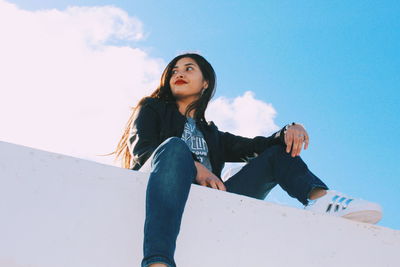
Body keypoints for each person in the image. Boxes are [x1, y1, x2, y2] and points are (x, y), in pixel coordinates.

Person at [113, 53, 382, 267]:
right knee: (174, 147)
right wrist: (195, 167)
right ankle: (158, 263)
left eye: (188, 68)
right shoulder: (151, 108)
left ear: (205, 83)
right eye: (174, 70)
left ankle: (320, 198)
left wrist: (290, 128)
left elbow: (258, 146)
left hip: (212, 197)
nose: (179, 73)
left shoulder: (212, 133)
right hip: (166, 186)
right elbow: (143, 150)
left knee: (277, 153)